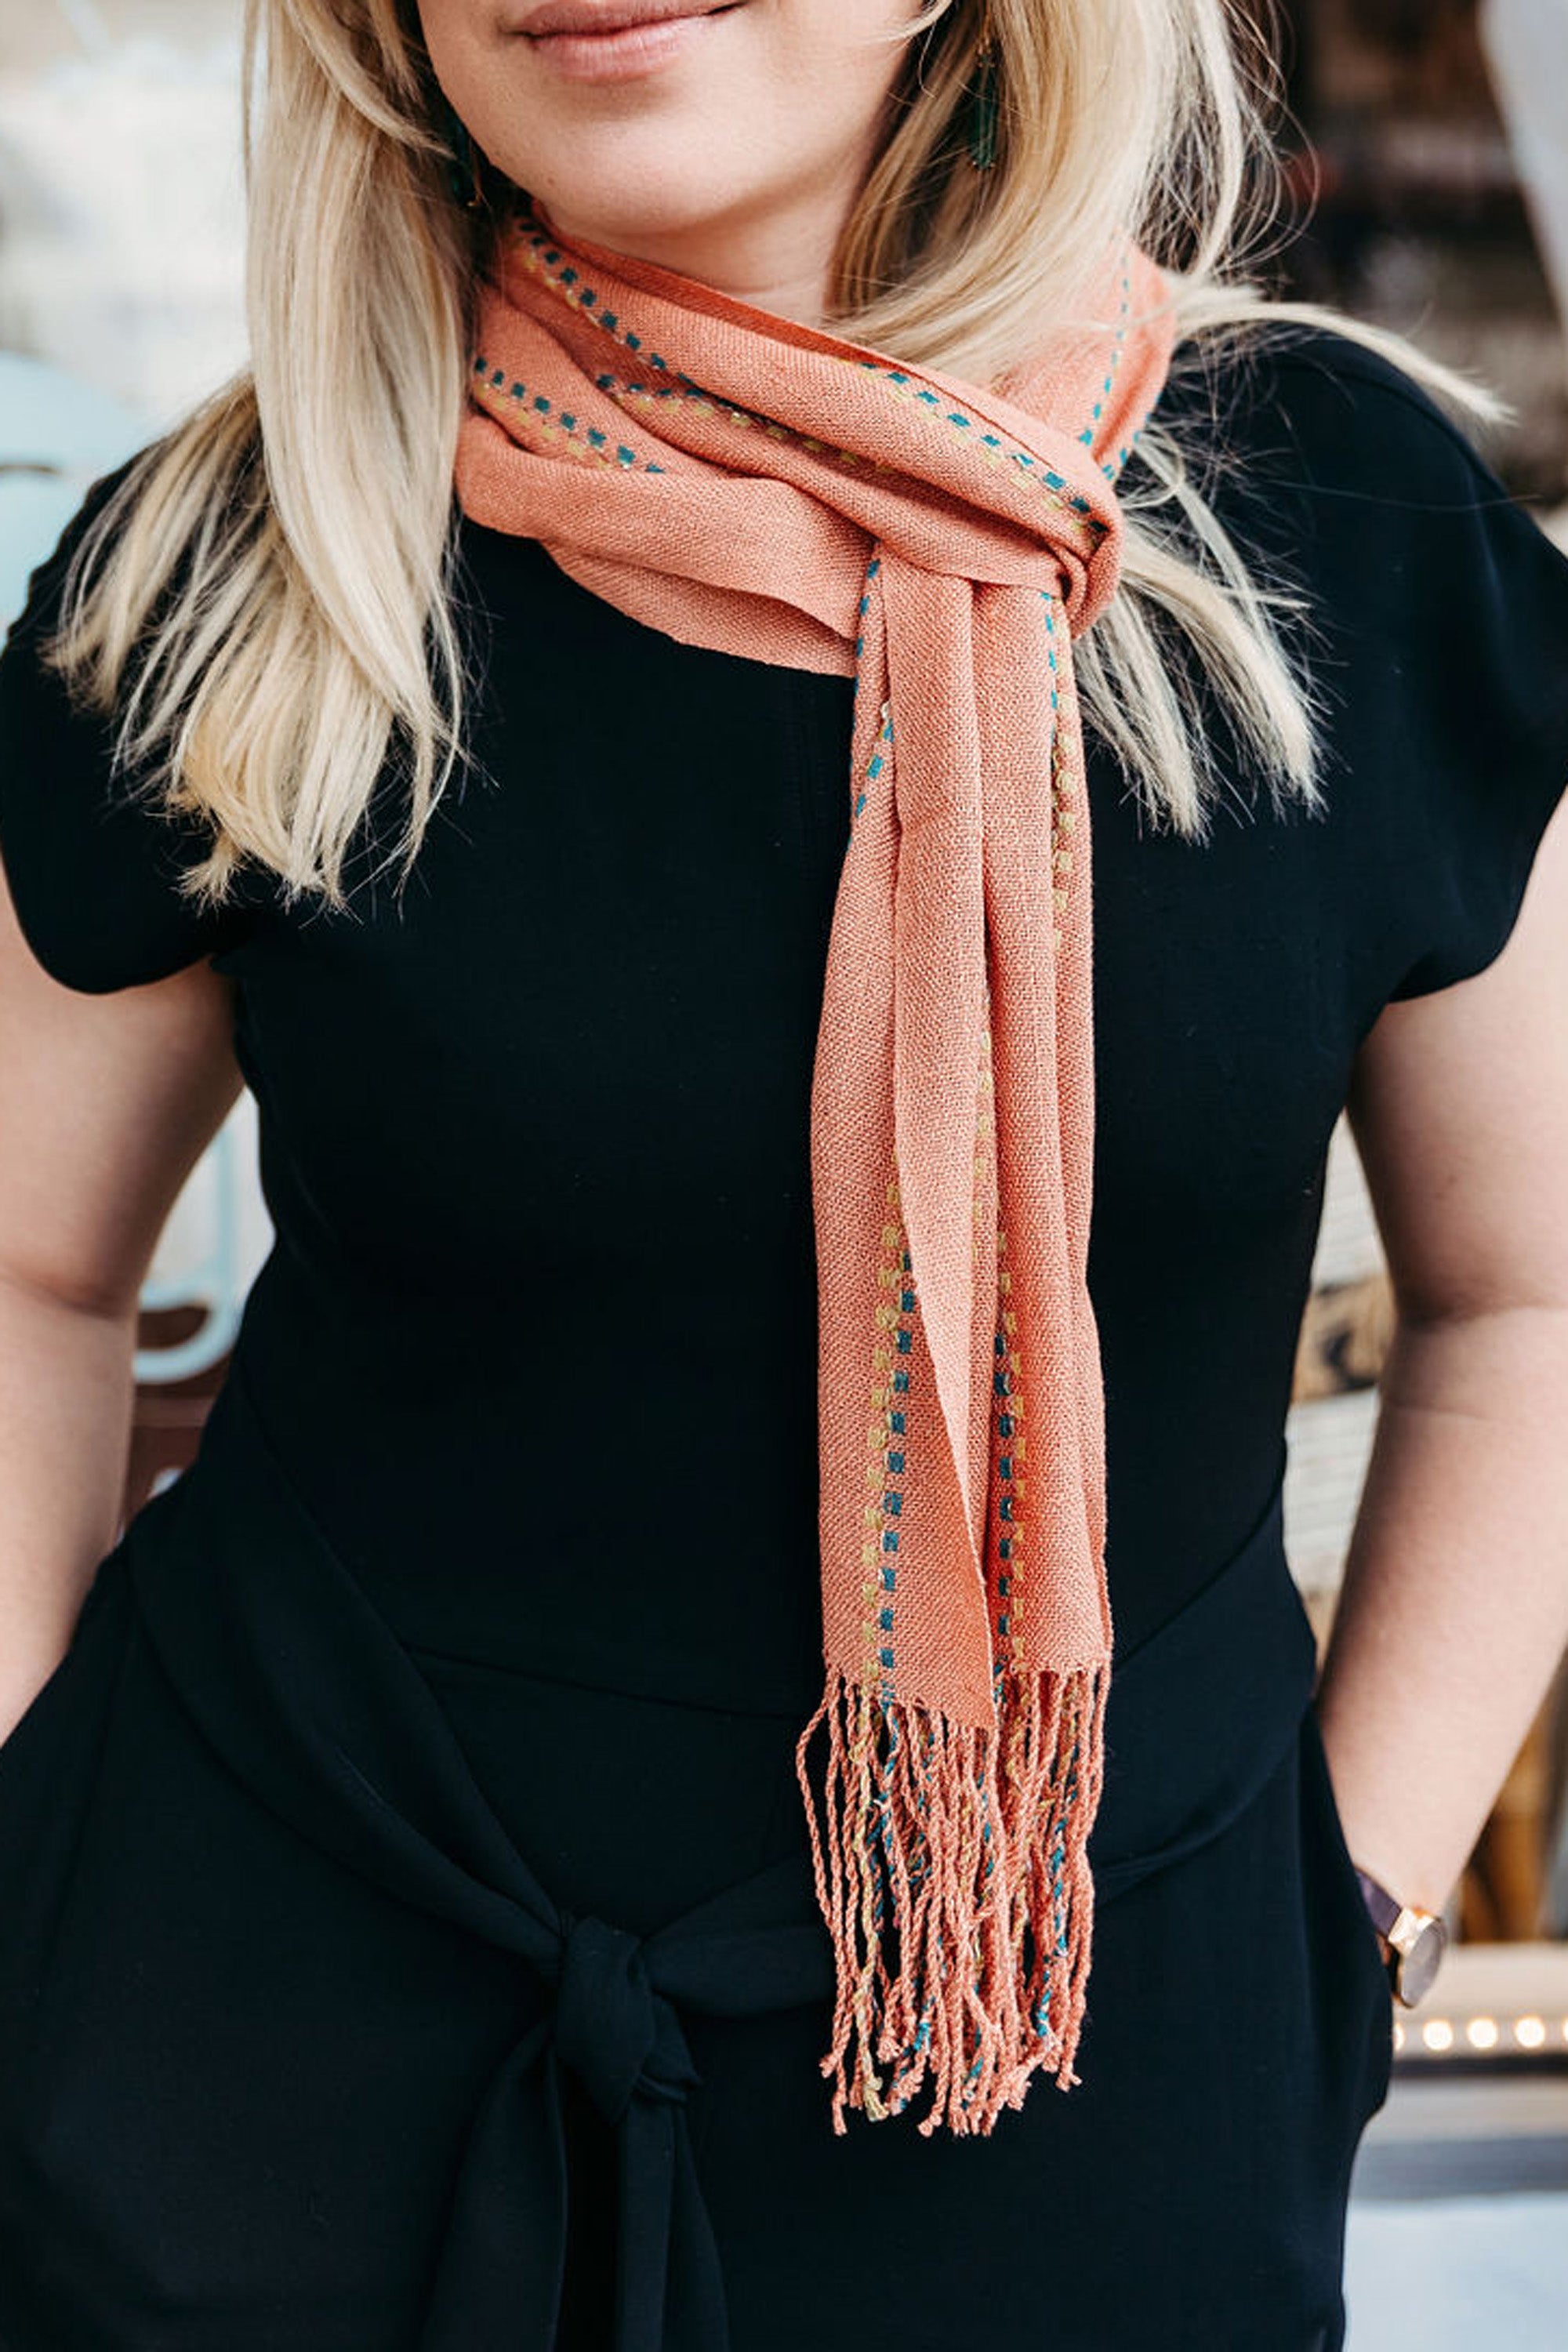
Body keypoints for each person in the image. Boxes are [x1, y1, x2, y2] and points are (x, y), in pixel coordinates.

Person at [2, 1, 1568, 2347]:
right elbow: (23, 1270)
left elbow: (1530, 1300)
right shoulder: (252, 563)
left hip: (1089, 2116)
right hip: (247, 2098)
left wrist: (1344, 1921)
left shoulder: (1341, 524)